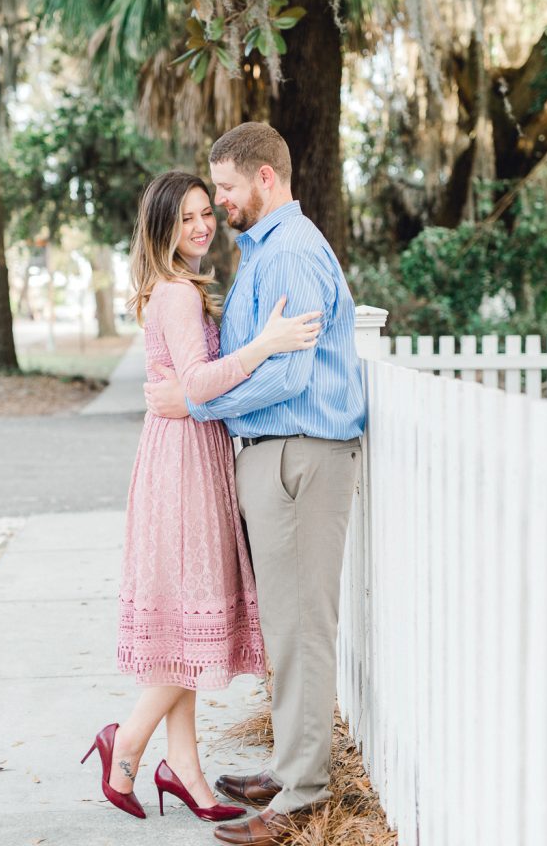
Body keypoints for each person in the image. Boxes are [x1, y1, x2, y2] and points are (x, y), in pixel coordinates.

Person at [145, 123, 366, 846]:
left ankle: (302, 796)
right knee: (286, 624)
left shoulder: (294, 253)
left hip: (299, 454)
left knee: (302, 626)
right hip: (275, 454)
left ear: (264, 180)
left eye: (228, 190)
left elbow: (289, 371)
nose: (221, 207)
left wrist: (199, 401)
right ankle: (290, 765)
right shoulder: (264, 252)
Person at [80, 169, 322, 824]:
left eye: (203, 213)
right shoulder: (178, 295)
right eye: (185, 218)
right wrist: (268, 345)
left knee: (184, 625)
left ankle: (182, 769)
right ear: (161, 227)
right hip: (183, 467)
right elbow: (199, 382)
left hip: (182, 455)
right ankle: (125, 743)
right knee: (189, 626)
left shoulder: (176, 287)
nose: (201, 226)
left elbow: (183, 387)